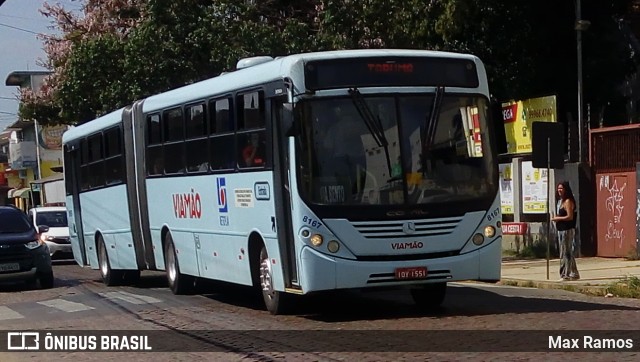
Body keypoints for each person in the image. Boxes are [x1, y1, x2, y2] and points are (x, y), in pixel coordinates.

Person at [551, 181, 580, 281]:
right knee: (567, 252)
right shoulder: (560, 201)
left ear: (566, 190)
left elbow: (570, 216)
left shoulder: (568, 201)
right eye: (558, 188)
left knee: (565, 253)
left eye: (561, 188)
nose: (559, 190)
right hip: (561, 230)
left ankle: (565, 274)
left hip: (567, 230)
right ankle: (574, 273)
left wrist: (558, 219)